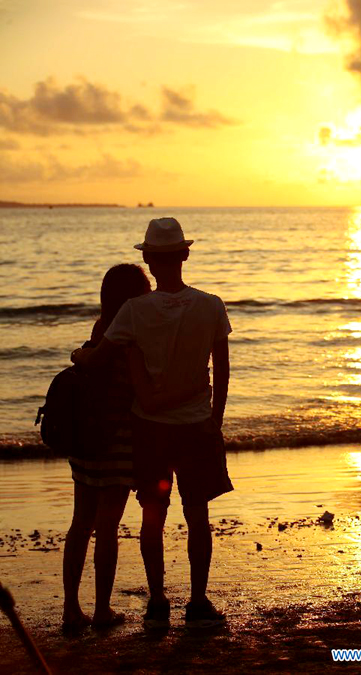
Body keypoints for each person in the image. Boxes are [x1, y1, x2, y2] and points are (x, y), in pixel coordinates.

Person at [72, 217, 233, 628]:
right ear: (184, 254)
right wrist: (215, 419)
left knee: (153, 515)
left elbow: (99, 357)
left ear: (149, 259)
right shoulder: (212, 305)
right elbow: (223, 368)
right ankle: (197, 601)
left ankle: (158, 600)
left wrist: (78, 356)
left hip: (150, 428)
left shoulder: (133, 311)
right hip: (196, 425)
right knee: (197, 515)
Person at [63, 263, 151, 631]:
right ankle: (101, 610)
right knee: (108, 526)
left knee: (80, 523)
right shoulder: (133, 332)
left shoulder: (99, 329)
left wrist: (76, 355)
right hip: (117, 440)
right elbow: (138, 386)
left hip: (85, 438)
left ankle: (71, 609)